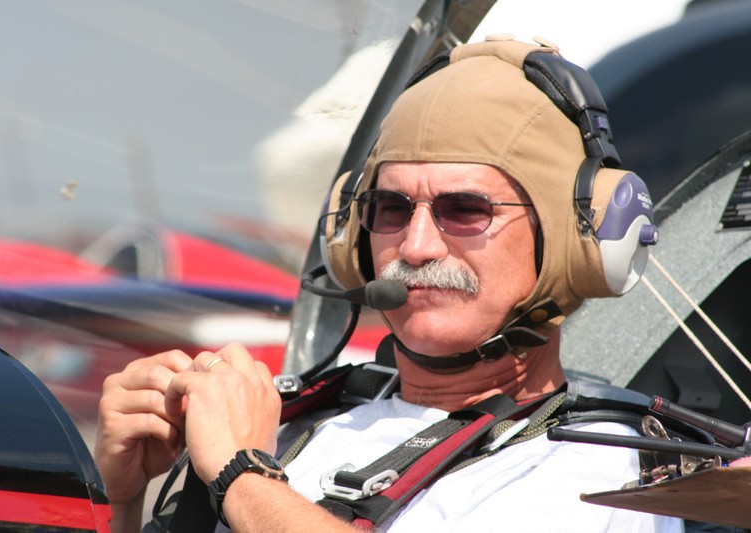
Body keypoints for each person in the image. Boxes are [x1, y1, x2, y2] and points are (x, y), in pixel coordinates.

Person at [95, 36, 682, 532]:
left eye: (465, 209)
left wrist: (239, 473)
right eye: (392, 208)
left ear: (577, 242)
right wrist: (118, 502)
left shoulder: (602, 472)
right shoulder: (297, 424)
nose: (417, 246)